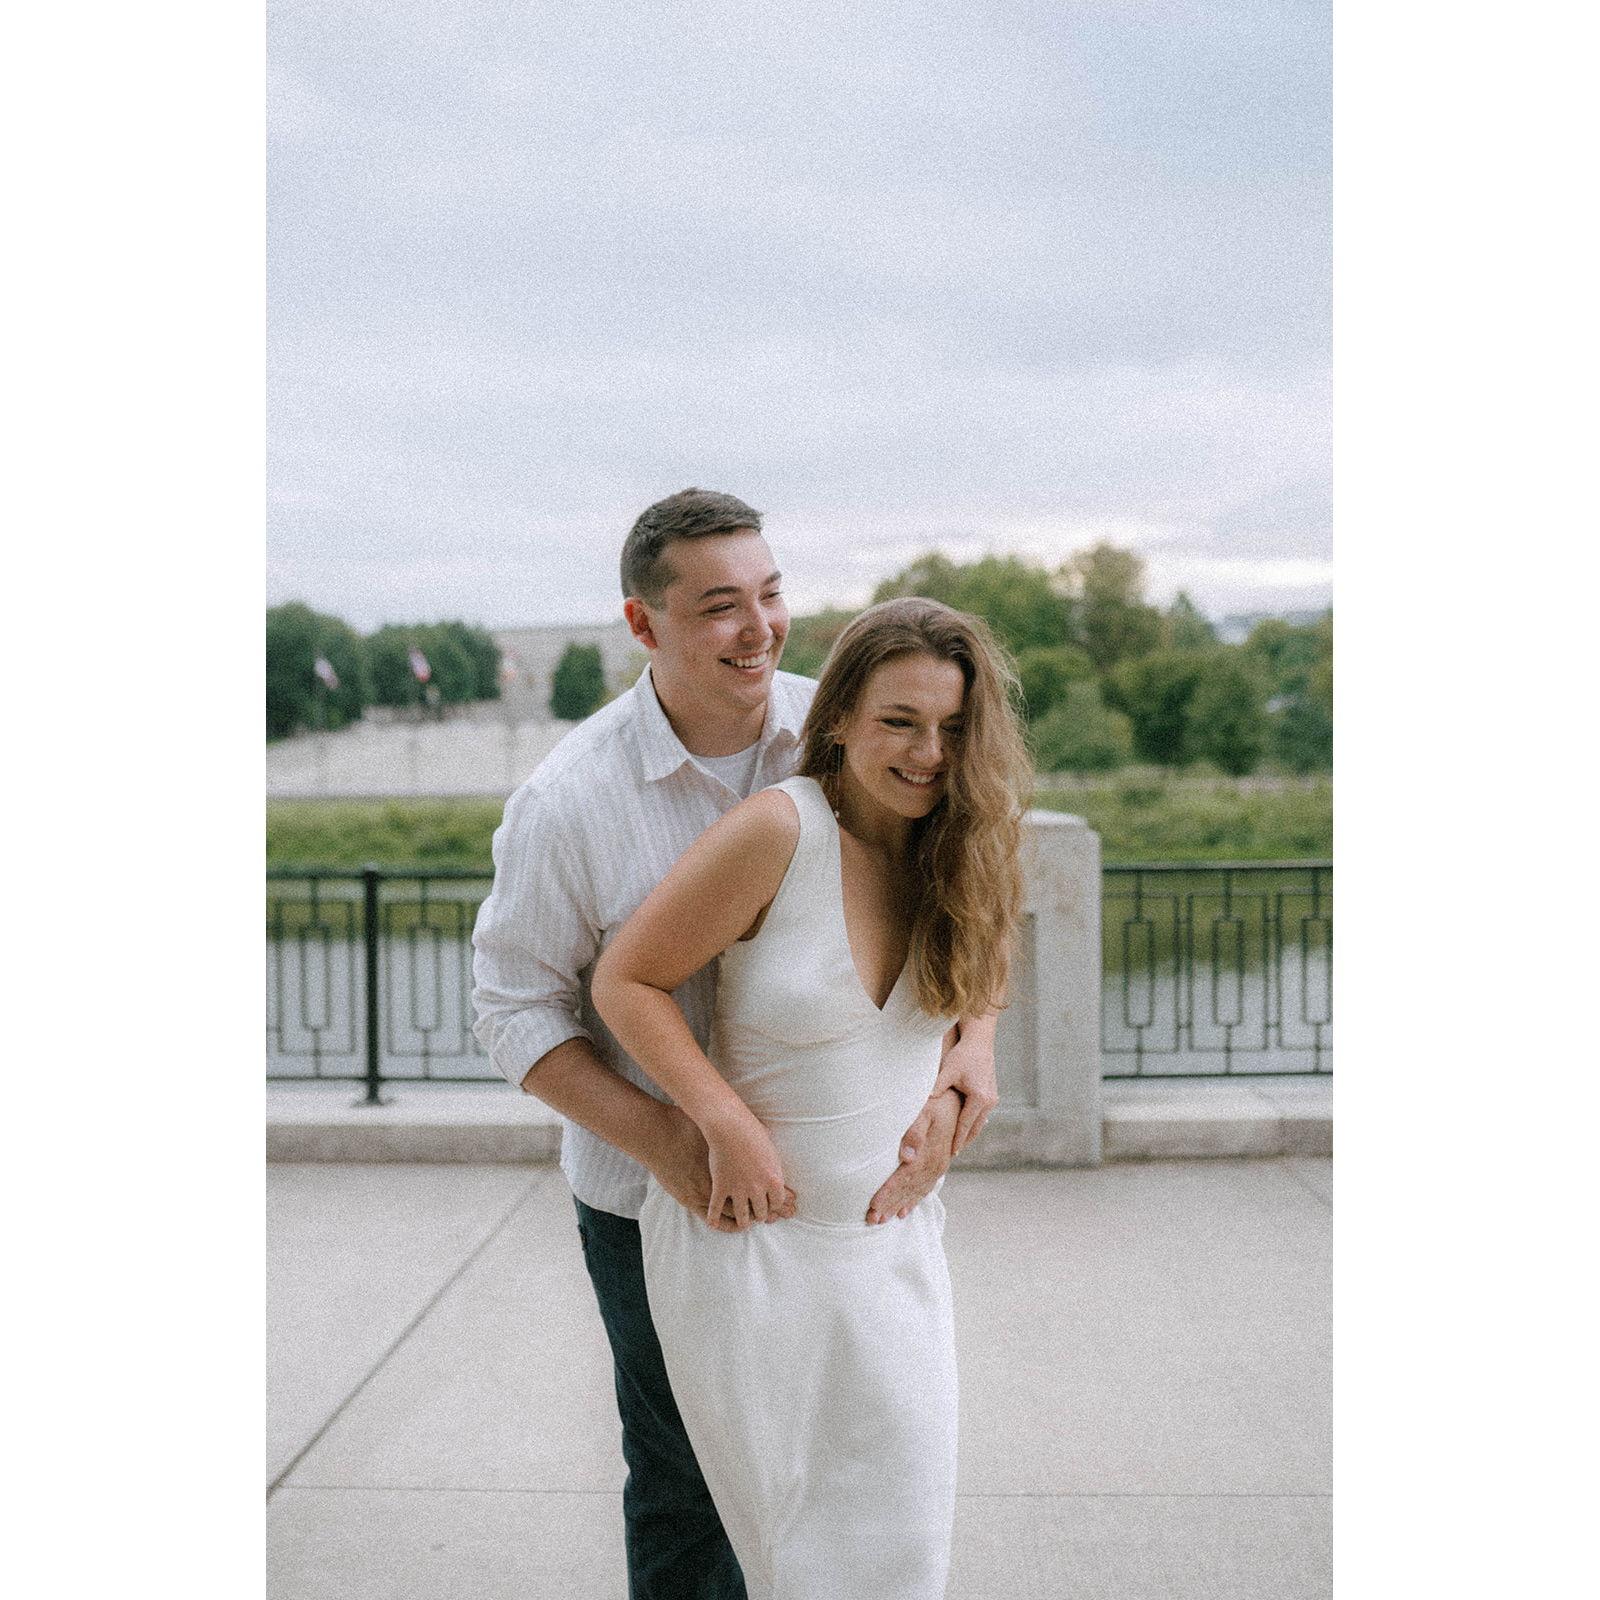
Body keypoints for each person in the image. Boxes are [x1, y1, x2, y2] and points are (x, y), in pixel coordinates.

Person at [470, 490, 1001, 1600]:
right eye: (719, 605)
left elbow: (971, 875)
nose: (758, 628)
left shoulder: (857, 725)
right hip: (650, 1197)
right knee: (693, 1494)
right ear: (643, 623)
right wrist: (677, 1133)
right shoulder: (568, 802)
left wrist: (974, 1047)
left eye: (769, 594)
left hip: (852, 1224)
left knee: (859, 1502)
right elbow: (515, 1011)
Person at [590, 597, 1031, 1599]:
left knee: (904, 1554)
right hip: (753, 1258)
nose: (928, 753)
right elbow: (627, 980)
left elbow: (992, 936)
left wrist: (977, 1045)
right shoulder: (777, 832)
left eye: (952, 727)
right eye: (899, 721)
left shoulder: (963, 836)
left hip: (894, 1252)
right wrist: (719, 1118)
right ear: (837, 721)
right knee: (793, 1561)